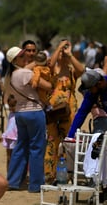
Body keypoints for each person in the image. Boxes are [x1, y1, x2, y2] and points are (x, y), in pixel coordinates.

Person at [4, 46, 52, 192]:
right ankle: (36, 185)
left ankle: (13, 181)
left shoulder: (9, 76)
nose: (26, 57)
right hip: (34, 112)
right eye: (22, 55)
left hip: (20, 113)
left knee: (20, 147)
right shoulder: (25, 73)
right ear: (15, 60)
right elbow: (48, 86)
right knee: (37, 148)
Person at [44, 39, 84, 183]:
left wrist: (70, 55)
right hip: (53, 108)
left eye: (64, 49)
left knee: (68, 139)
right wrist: (59, 48)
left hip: (69, 106)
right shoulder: (53, 66)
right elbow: (50, 65)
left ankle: (66, 173)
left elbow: (82, 71)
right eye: (61, 50)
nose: (62, 52)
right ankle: (50, 174)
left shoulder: (71, 68)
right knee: (52, 138)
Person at [67, 69, 107, 138]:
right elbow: (81, 113)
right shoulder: (92, 94)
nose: (89, 91)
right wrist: (70, 136)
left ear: (99, 83)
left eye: (90, 88)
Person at [0, 94, 18, 173]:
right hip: (9, 139)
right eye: (10, 106)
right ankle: (9, 175)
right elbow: (9, 127)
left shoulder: (19, 115)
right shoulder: (11, 114)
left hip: (16, 139)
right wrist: (3, 135)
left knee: (16, 157)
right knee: (9, 158)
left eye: (13, 106)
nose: (11, 108)